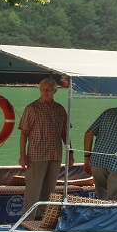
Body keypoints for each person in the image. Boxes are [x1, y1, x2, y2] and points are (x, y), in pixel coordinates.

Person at [18, 78, 71, 220]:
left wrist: (70, 153)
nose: (45, 92)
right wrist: (22, 155)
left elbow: (65, 133)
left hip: (55, 155)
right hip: (36, 155)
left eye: (48, 89)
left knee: (49, 191)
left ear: (54, 91)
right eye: (43, 89)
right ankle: (27, 221)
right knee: (32, 191)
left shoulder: (60, 109)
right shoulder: (31, 108)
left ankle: (42, 220)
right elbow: (24, 133)